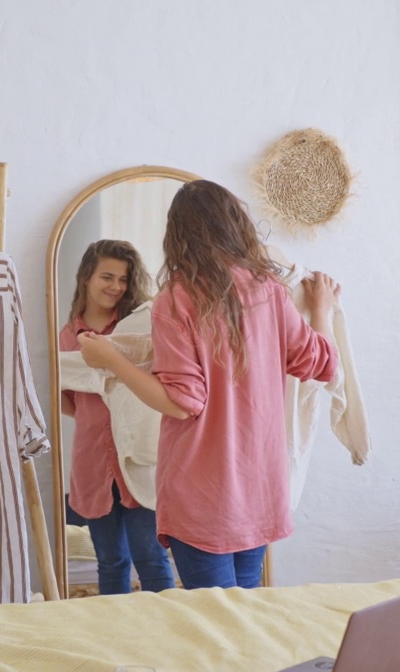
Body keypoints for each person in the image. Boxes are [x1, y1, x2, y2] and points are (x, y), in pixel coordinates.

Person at [80, 180, 339, 590]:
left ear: (178, 235)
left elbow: (182, 402)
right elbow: (323, 362)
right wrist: (322, 309)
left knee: (214, 625)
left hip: (203, 496)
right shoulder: (269, 291)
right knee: (242, 622)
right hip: (259, 490)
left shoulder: (178, 298)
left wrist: (111, 360)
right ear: (236, 225)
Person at [59, 239, 175, 595]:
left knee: (151, 558)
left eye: (123, 279)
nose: (116, 287)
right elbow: (65, 401)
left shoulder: (136, 326)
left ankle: (165, 634)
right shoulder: (66, 336)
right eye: (107, 277)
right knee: (110, 562)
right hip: (92, 460)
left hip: (137, 455)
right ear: (86, 279)